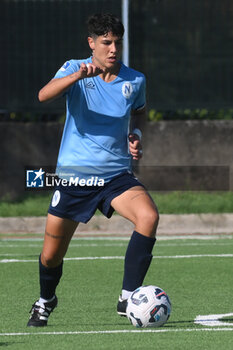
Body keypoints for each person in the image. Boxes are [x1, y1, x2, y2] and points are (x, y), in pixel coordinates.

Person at [27, 13, 159, 327]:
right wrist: (78, 77)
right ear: (92, 44)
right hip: (74, 178)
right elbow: (44, 95)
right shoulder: (74, 68)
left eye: (118, 42)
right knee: (50, 257)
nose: (113, 49)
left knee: (149, 216)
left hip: (115, 177)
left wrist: (136, 136)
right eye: (106, 42)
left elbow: (139, 113)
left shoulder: (135, 80)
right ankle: (46, 299)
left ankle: (128, 296)